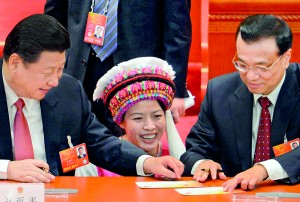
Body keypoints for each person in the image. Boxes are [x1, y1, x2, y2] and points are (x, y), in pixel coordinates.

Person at [0, 14, 184, 183]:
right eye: (48, 72)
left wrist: (147, 163)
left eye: (60, 70)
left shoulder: (68, 91)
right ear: (16, 63)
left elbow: (100, 143)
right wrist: (7, 169)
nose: (55, 82)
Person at [181, 14, 300, 191]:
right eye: (242, 64)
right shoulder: (219, 92)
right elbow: (194, 150)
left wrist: (264, 169)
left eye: (261, 67)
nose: (250, 76)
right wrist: (202, 163)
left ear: (285, 58)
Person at [44, 0, 192, 136]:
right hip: (81, 68)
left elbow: (177, 29)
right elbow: (54, 17)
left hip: (136, 76)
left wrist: (176, 89)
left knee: (130, 153)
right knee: (76, 146)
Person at [93, 57, 186, 176]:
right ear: (120, 121)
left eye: (157, 116)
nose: (150, 126)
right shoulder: (99, 164)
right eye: (138, 118)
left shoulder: (176, 158)